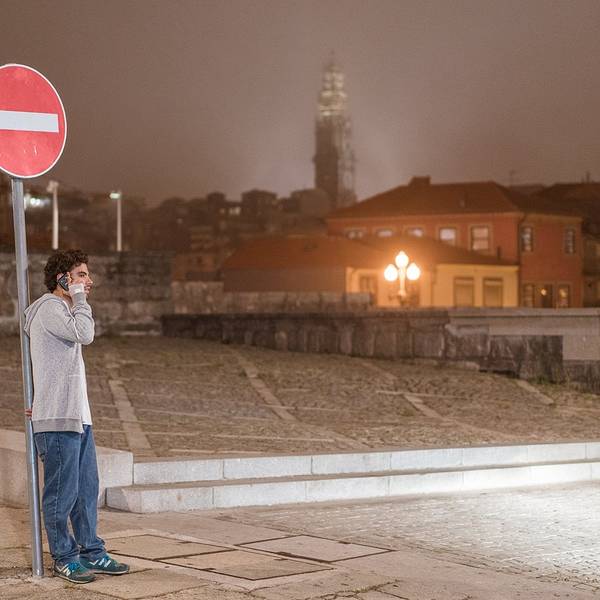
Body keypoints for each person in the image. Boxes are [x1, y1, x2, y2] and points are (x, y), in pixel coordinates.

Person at [24, 249, 129, 584]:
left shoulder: (63, 312)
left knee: (86, 491)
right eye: (82, 275)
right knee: (61, 494)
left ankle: (91, 551)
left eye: (87, 275)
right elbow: (86, 334)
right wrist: (80, 298)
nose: (89, 281)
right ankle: (64, 558)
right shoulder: (49, 308)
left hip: (77, 417)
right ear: (62, 279)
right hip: (57, 420)